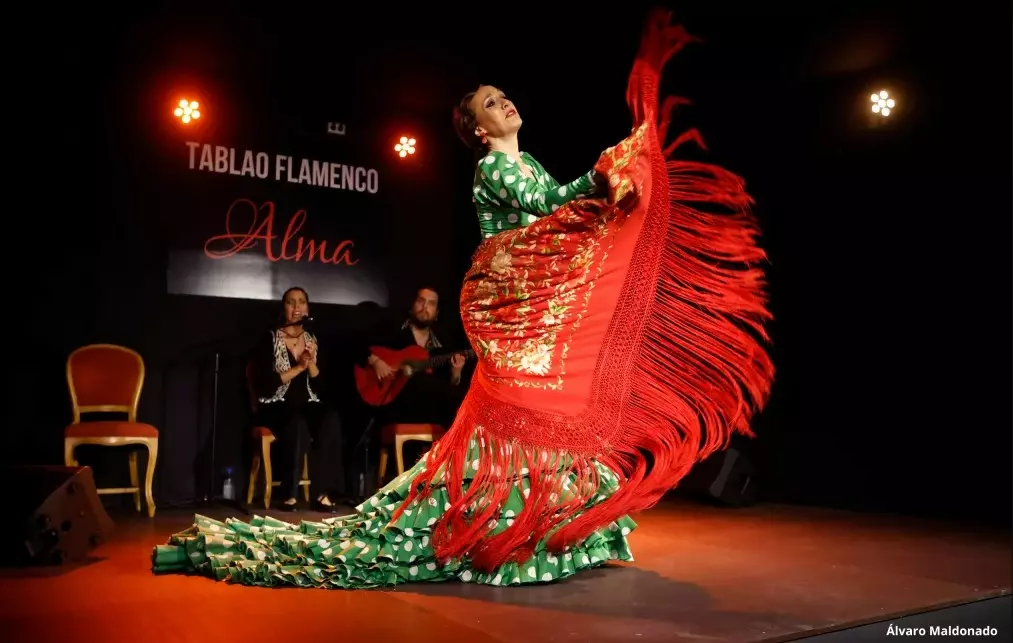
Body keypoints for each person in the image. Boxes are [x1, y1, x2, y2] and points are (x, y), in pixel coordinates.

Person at [151, 9, 774, 588]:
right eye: (489, 104)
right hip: (506, 302)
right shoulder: (493, 169)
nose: (505, 103)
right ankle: (499, 530)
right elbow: (555, 209)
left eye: (503, 95)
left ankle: (539, 529)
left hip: (528, 296)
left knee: (546, 410)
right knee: (521, 409)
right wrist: (607, 171)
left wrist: (609, 188)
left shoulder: (525, 162)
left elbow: (560, 214)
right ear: (479, 130)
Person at [247, 287, 345, 513]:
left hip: (306, 404)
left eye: (302, 302)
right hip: (275, 404)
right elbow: (264, 384)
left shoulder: (313, 340)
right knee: (297, 422)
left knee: (329, 417)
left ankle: (321, 493)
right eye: (291, 302)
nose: (297, 307)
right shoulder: (270, 338)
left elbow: (322, 388)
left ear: (308, 309)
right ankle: (289, 494)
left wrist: (310, 364)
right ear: (284, 308)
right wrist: (297, 367)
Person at [356, 287, 467, 431]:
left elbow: (447, 388)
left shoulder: (444, 346)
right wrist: (376, 361)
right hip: (391, 403)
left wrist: (456, 373)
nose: (425, 307)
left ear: (437, 314)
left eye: (431, 304)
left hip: (430, 411)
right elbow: (356, 343)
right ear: (412, 306)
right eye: (421, 301)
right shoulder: (390, 330)